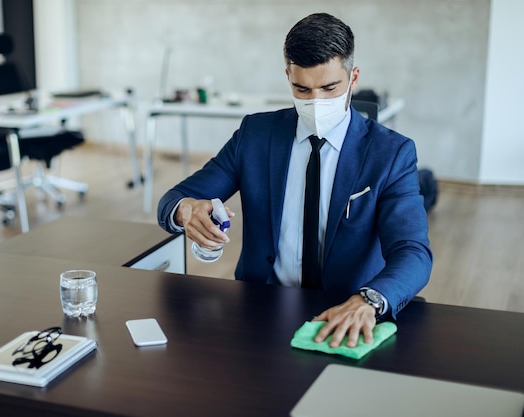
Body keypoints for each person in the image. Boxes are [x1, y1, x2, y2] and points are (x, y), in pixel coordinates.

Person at [157, 13, 432, 348]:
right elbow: (178, 197)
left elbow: (412, 251)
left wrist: (370, 300)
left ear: (353, 77)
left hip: (346, 310)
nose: (315, 101)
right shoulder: (255, 135)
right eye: (302, 88)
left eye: (330, 88)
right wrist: (185, 210)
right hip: (261, 307)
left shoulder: (391, 153)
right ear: (288, 76)